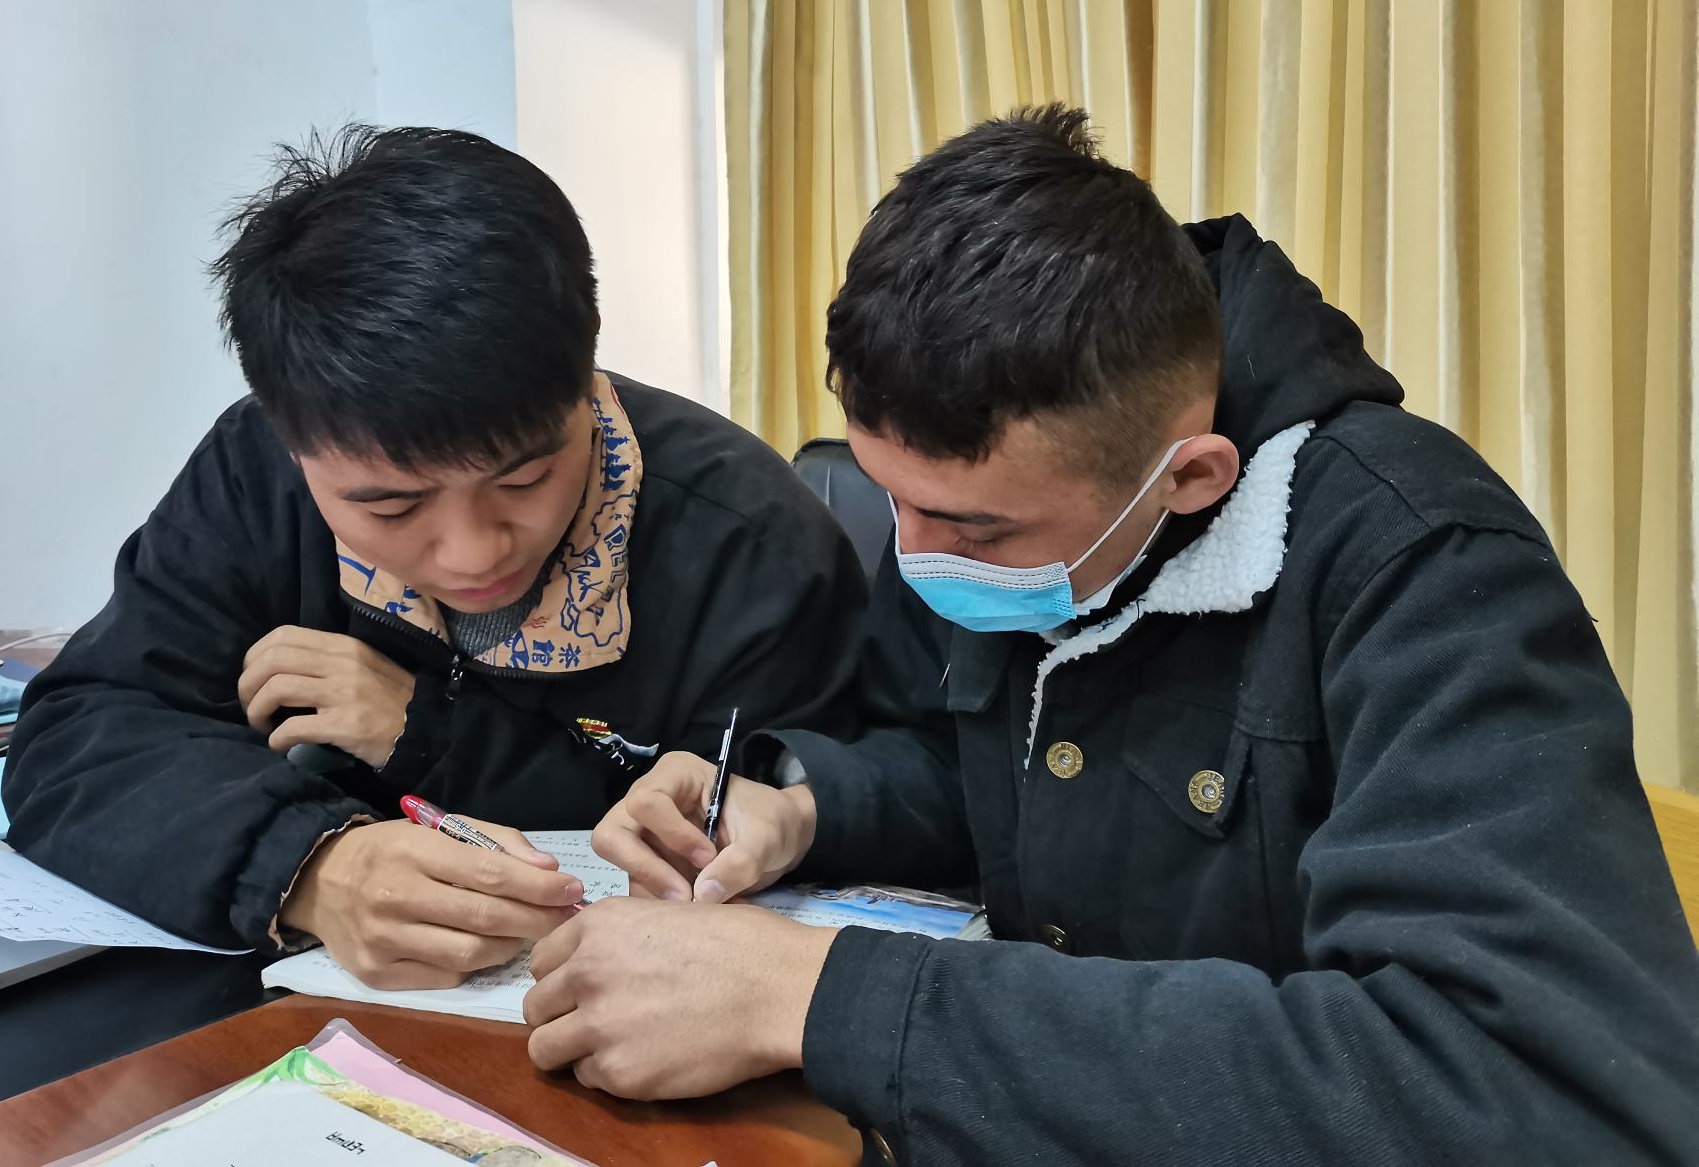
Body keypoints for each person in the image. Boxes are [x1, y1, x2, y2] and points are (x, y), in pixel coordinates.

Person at [523, 105, 1699, 1161]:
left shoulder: (1425, 570)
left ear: (1188, 479)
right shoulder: (996, 507)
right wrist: (804, 805)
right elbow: (970, 771)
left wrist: (829, 999)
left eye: (976, 530)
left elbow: (1534, 1088)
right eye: (894, 500)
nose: (918, 557)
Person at [1, 125, 866, 987]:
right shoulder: (257, 472)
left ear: (587, 367)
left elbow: (782, 836)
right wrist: (312, 865)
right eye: (391, 505)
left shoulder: (748, 541)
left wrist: (423, 732)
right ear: (291, 439)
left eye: (525, 478)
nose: (473, 551)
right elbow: (81, 738)